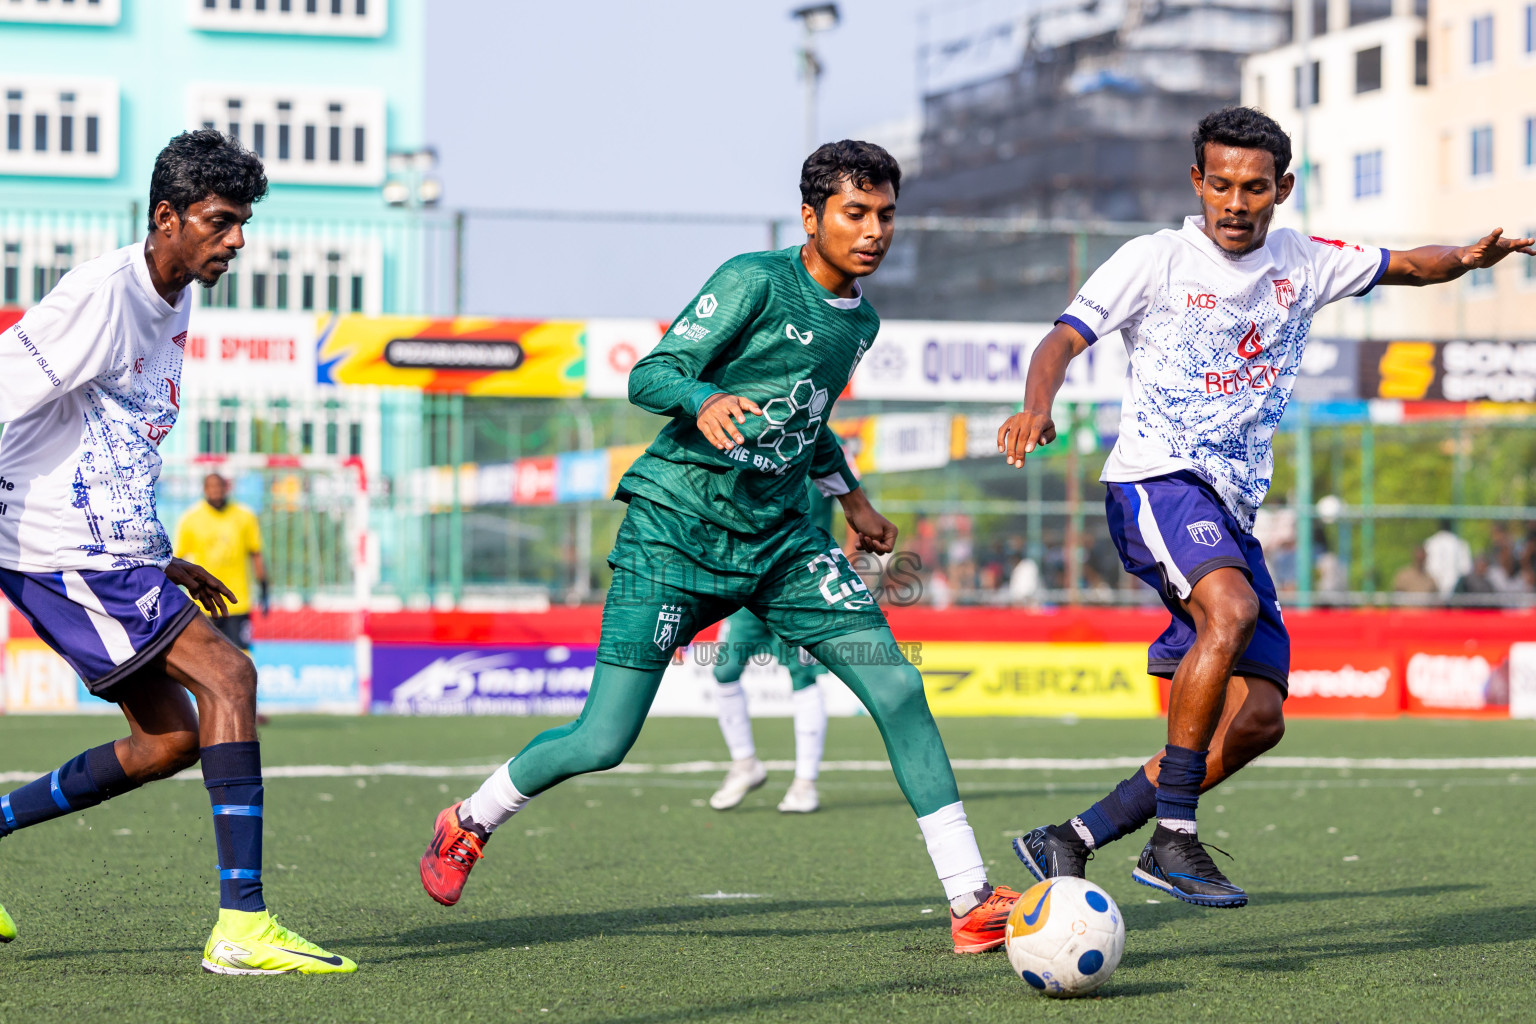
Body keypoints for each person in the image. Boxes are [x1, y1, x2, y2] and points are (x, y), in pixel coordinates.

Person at [420, 141, 1022, 954]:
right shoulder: (754, 280)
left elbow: (807, 418)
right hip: (674, 529)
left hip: (781, 543)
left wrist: (853, 499)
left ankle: (971, 900)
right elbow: (652, 374)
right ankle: (469, 819)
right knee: (603, 740)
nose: (874, 231)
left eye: (886, 215)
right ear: (810, 217)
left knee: (897, 687)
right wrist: (703, 398)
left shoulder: (863, 321)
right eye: (855, 213)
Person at [997, 106, 1533, 907]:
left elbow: (1411, 267)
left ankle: (1071, 838)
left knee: (1258, 720)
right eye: (1220, 185)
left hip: (1233, 510)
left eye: (1254, 187)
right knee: (1232, 610)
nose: (1235, 202)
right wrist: (1036, 406)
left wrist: (1466, 258)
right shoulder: (1154, 259)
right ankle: (1173, 837)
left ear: (1281, 189)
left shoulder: (1304, 261)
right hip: (1156, 480)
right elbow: (1062, 339)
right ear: (1197, 182)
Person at [0, 131, 353, 974]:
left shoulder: (176, 294)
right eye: (220, 221)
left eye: (244, 223)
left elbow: (112, 441)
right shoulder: (102, 295)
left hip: (107, 549)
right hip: (59, 547)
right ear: (168, 217)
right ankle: (243, 928)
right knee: (230, 677)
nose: (237, 240)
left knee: (167, 741)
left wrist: (154, 554)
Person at [707, 478, 835, 815]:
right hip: (749, 585)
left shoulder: (827, 453)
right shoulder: (753, 449)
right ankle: (745, 763)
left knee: (803, 677)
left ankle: (805, 783)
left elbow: (853, 501)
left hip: (800, 588)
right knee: (724, 671)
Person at [175, 473, 269, 652]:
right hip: (204, 601)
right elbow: (177, 559)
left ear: (226, 488)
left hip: (237, 601)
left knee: (240, 654)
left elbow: (256, 553)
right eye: (211, 487)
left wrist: (264, 587)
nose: (216, 491)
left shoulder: (245, 516)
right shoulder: (191, 518)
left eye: (219, 487)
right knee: (205, 655)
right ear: (205, 489)